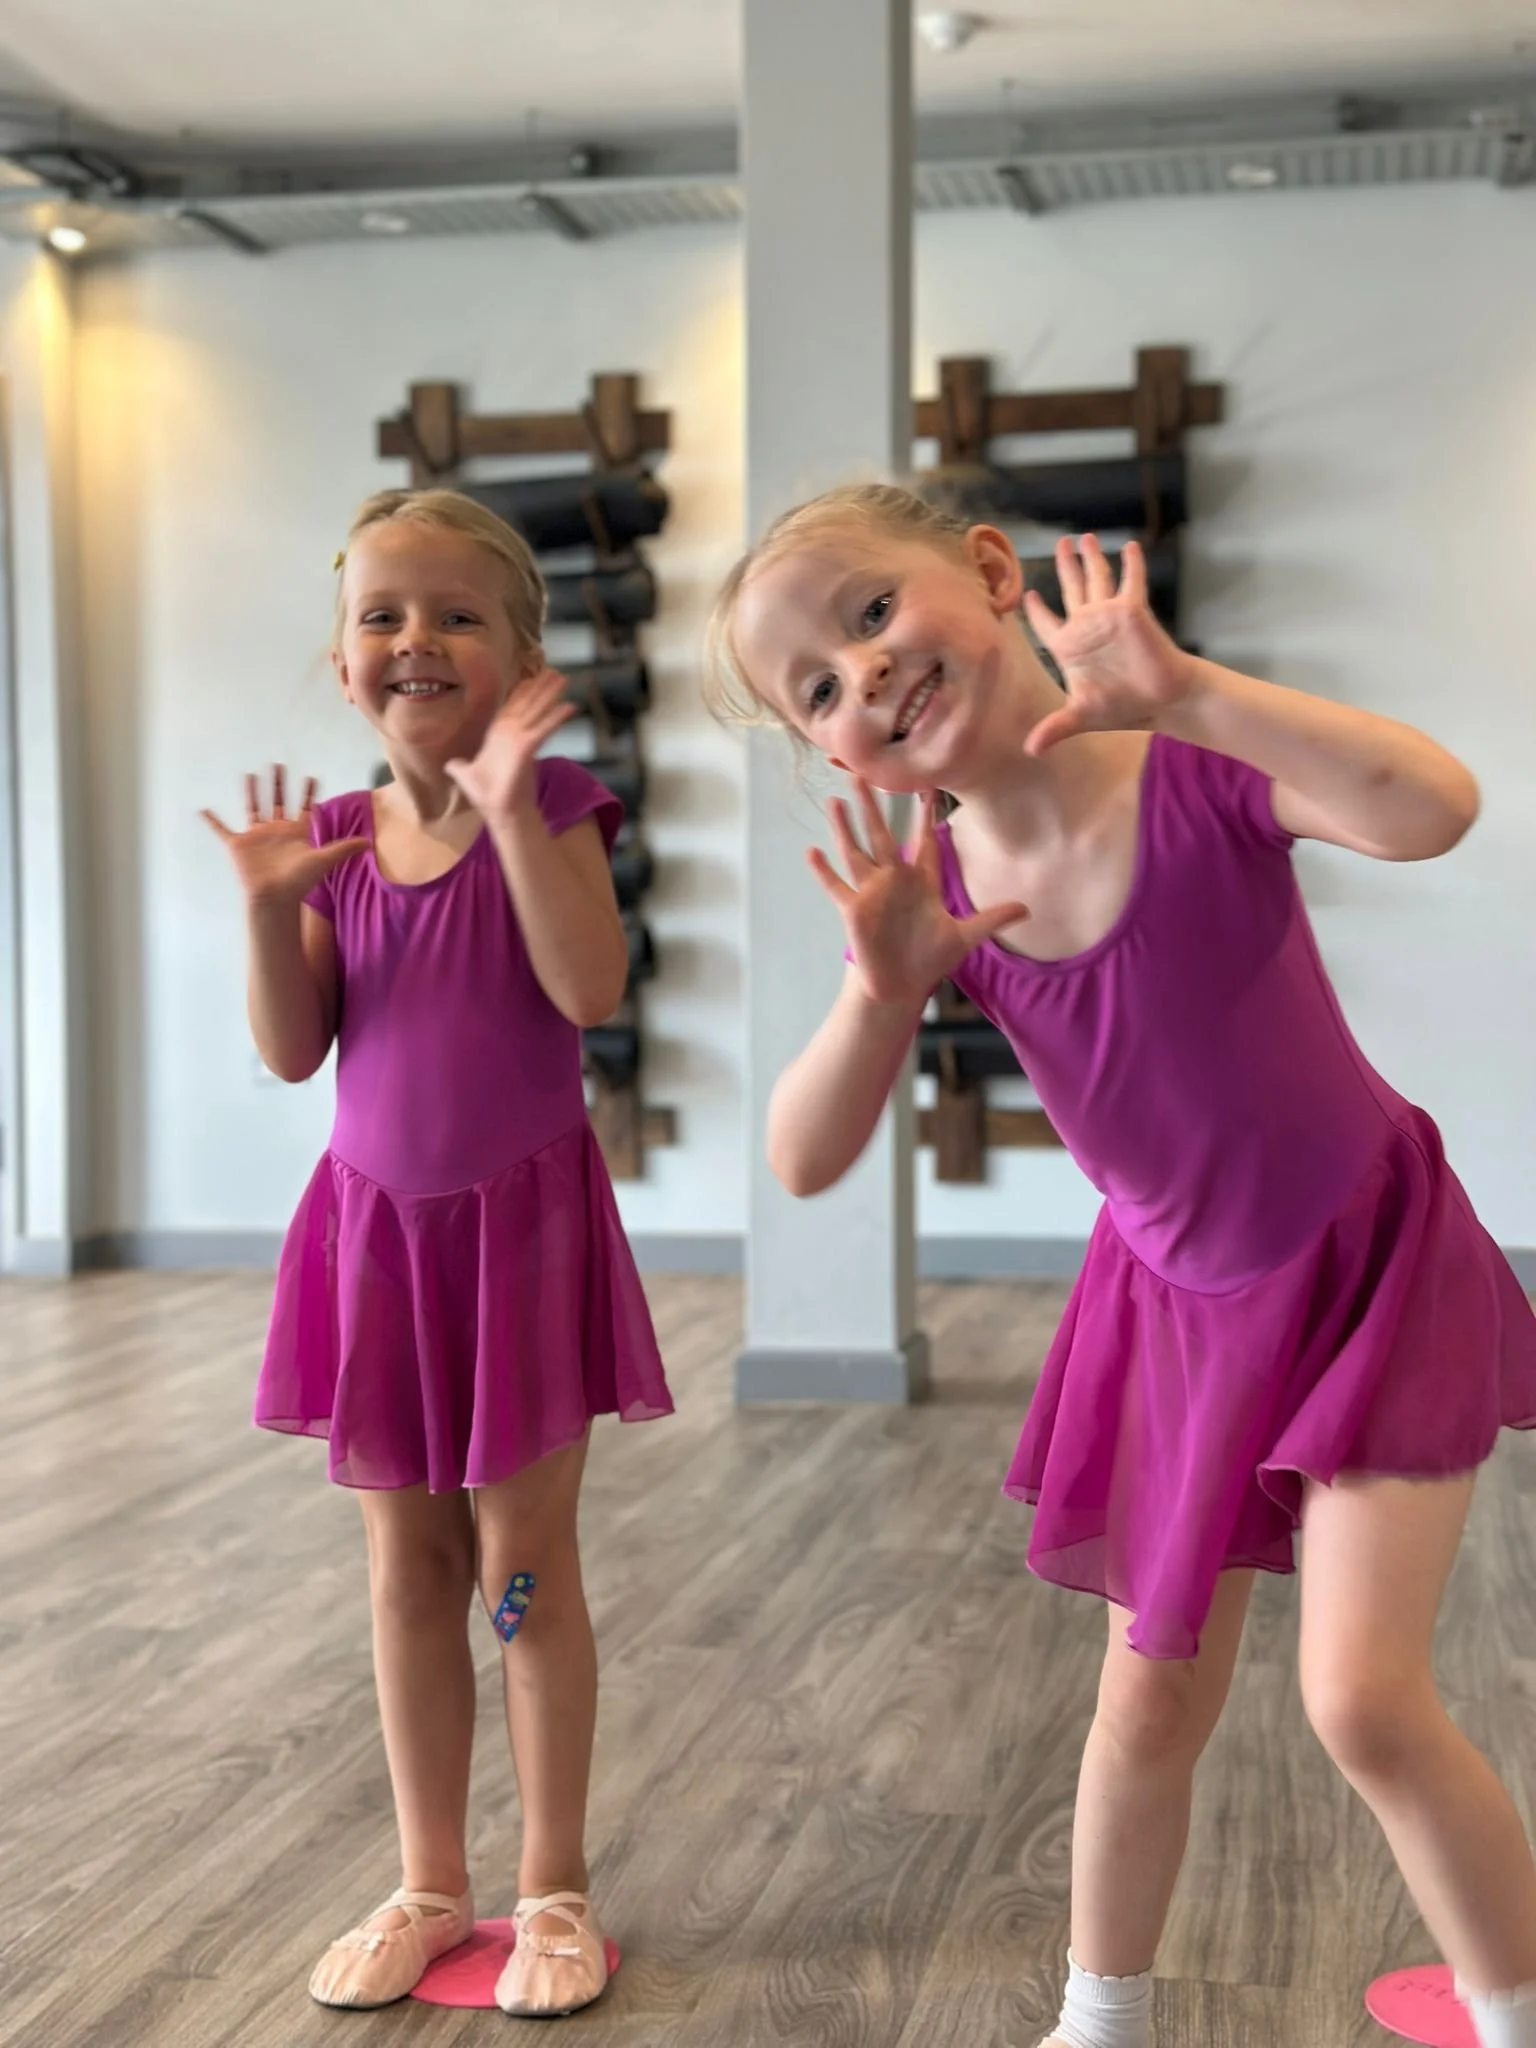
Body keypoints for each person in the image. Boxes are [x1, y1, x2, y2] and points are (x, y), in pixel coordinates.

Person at [704, 481, 1536, 2048]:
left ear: (990, 572)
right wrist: (880, 1000)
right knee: (1146, 1698)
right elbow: (804, 1160)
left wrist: (1200, 691)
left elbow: (1434, 808)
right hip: (1175, 1319)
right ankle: (1100, 2021)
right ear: (829, 753)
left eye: (873, 615)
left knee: (1361, 1700)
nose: (862, 676)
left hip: (1363, 1267)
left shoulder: (1194, 772)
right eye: (817, 687)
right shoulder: (932, 902)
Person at [205, 488, 671, 2017]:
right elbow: (293, 1055)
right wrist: (272, 917)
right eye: (385, 617)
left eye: (459, 615)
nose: (419, 639)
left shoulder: (567, 810)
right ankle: (429, 1879)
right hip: (376, 1250)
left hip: (519, 1245)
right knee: (408, 1569)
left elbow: (588, 987)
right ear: (345, 666)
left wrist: (519, 799)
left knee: (520, 1567)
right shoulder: (331, 841)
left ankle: (552, 1887)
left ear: (523, 656)